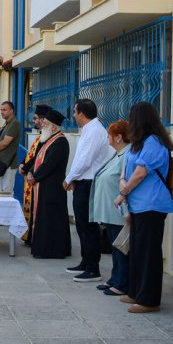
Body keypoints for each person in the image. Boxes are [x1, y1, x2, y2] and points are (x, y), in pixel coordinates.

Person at [115, 102, 173, 314]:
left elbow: (140, 173)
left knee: (149, 253)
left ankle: (149, 299)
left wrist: (123, 193)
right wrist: (122, 181)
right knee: (138, 251)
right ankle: (136, 292)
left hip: (152, 205)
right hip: (139, 205)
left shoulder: (154, 142)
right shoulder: (138, 143)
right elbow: (127, 166)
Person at [64, 99, 113, 282]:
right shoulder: (88, 130)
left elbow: (85, 160)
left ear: (82, 113)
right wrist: (73, 178)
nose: (74, 115)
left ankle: (93, 268)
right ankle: (85, 261)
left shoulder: (94, 131)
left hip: (89, 182)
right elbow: (80, 159)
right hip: (82, 181)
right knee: (81, 225)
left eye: (75, 112)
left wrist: (69, 179)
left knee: (89, 226)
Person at [92, 121, 131, 297]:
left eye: (109, 135)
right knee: (114, 247)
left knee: (120, 247)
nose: (108, 138)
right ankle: (115, 279)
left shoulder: (127, 154)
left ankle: (122, 282)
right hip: (110, 210)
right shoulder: (118, 153)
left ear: (118, 137)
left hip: (118, 211)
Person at [26, 109, 71, 259]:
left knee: (52, 218)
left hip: (53, 187)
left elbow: (49, 164)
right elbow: (38, 159)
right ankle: (44, 248)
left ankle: (53, 250)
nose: (42, 124)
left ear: (54, 127)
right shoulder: (49, 140)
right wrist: (32, 171)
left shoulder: (60, 141)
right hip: (44, 184)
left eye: (45, 123)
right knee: (45, 217)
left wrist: (35, 177)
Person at [19, 105, 51, 242]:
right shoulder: (41, 136)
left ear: (43, 120)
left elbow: (38, 158)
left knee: (34, 209)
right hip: (30, 176)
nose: (34, 121)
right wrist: (22, 163)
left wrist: (26, 168)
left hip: (36, 178)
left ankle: (32, 236)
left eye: (36, 118)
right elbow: (30, 154)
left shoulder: (48, 137)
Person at [0, 102, 22, 194]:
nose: (2, 112)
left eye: (4, 110)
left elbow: (5, 143)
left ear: (11, 111)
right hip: (2, 163)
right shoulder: (8, 123)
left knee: (7, 193)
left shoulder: (14, 123)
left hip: (9, 164)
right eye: (1, 110)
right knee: (1, 192)